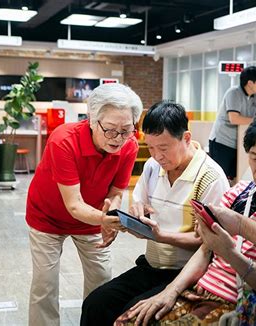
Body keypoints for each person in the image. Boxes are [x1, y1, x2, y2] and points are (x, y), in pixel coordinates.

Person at [117, 112, 256, 325]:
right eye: (254, 158)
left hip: (242, 304)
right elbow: (205, 250)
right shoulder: (240, 193)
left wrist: (229, 251)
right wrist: (170, 291)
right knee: (128, 320)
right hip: (200, 289)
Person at [81, 100, 229, 325]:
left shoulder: (211, 177)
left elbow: (208, 243)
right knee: (97, 303)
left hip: (187, 274)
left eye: (164, 148)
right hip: (152, 266)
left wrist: (160, 236)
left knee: (133, 315)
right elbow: (140, 202)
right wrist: (137, 213)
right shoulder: (152, 166)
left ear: (186, 138)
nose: (157, 156)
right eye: (150, 147)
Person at [26, 83, 143, 326]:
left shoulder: (129, 145)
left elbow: (117, 190)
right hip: (47, 217)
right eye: (110, 130)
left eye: (126, 130)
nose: (118, 138)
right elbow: (74, 205)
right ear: (92, 120)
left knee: (102, 279)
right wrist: (106, 219)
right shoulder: (63, 140)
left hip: (92, 219)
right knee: (45, 284)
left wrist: (111, 216)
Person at [209, 66, 256, 181]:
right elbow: (234, 118)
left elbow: (251, 119)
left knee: (236, 177)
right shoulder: (234, 93)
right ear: (250, 83)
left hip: (239, 144)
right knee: (220, 177)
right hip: (222, 142)